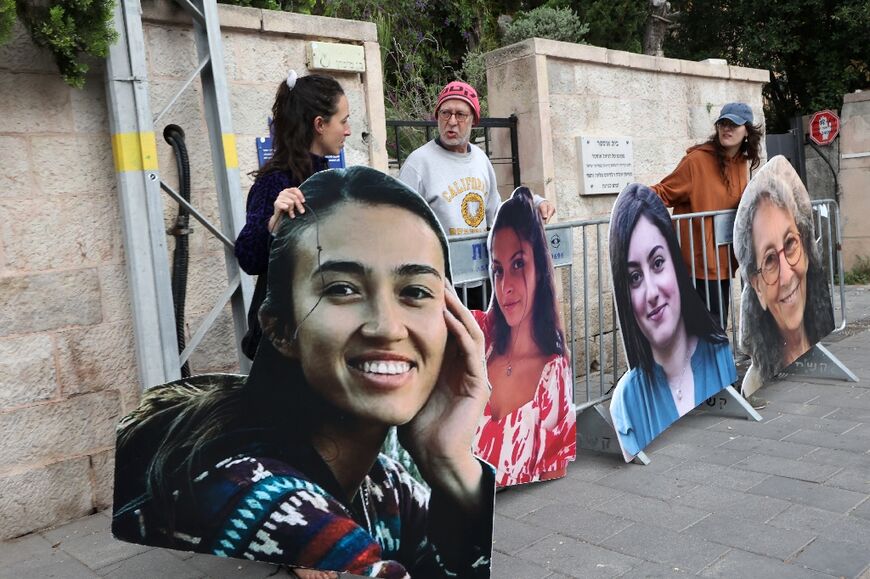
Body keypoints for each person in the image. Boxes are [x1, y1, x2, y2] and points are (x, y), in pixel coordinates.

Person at [112, 167, 495, 578]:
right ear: (279, 329)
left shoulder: (384, 484)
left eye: (415, 292)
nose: (386, 326)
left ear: (454, 326)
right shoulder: (261, 496)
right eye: (341, 289)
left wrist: (450, 463)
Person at [398, 80, 555, 310]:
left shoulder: (480, 159)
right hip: (441, 284)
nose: (452, 122)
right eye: (445, 113)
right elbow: (401, 223)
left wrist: (534, 203)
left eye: (460, 115)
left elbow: (496, 212)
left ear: (474, 120)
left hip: (482, 278)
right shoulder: (418, 163)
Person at [609, 184, 737, 461]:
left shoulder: (718, 355)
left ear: (676, 264)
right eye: (634, 278)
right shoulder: (628, 400)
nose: (652, 293)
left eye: (657, 263)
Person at [235, 71, 350, 360]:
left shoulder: (331, 177)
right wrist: (274, 223)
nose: (348, 130)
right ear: (320, 124)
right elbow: (249, 258)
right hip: (286, 342)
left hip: (324, 335)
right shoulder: (274, 182)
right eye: (344, 120)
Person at [470, 187, 576, 486]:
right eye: (498, 270)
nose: (506, 287)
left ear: (540, 268)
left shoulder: (551, 370)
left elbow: (552, 467)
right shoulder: (481, 339)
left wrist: (538, 201)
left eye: (518, 264)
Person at [651, 102, 763, 328]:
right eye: (723, 123)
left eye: (734, 124)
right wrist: (631, 203)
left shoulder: (741, 162)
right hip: (697, 261)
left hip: (723, 260)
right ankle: (706, 364)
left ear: (747, 131)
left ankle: (711, 363)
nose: (726, 129)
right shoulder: (696, 161)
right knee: (707, 327)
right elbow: (662, 192)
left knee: (717, 324)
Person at [733, 155, 835, 382]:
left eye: (790, 243)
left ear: (806, 251)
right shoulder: (755, 384)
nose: (787, 276)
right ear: (756, 286)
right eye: (769, 260)